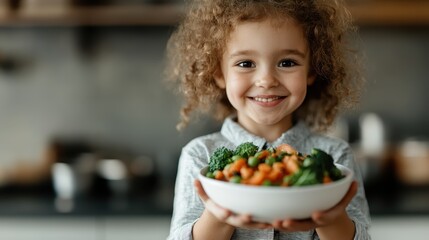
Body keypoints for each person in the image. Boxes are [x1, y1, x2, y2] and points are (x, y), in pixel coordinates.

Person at [165, 0, 371, 239]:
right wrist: (218, 214)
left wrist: (331, 217)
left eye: (287, 63)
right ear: (219, 73)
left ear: (312, 71)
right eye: (245, 63)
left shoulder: (336, 157)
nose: (266, 80)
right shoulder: (200, 155)